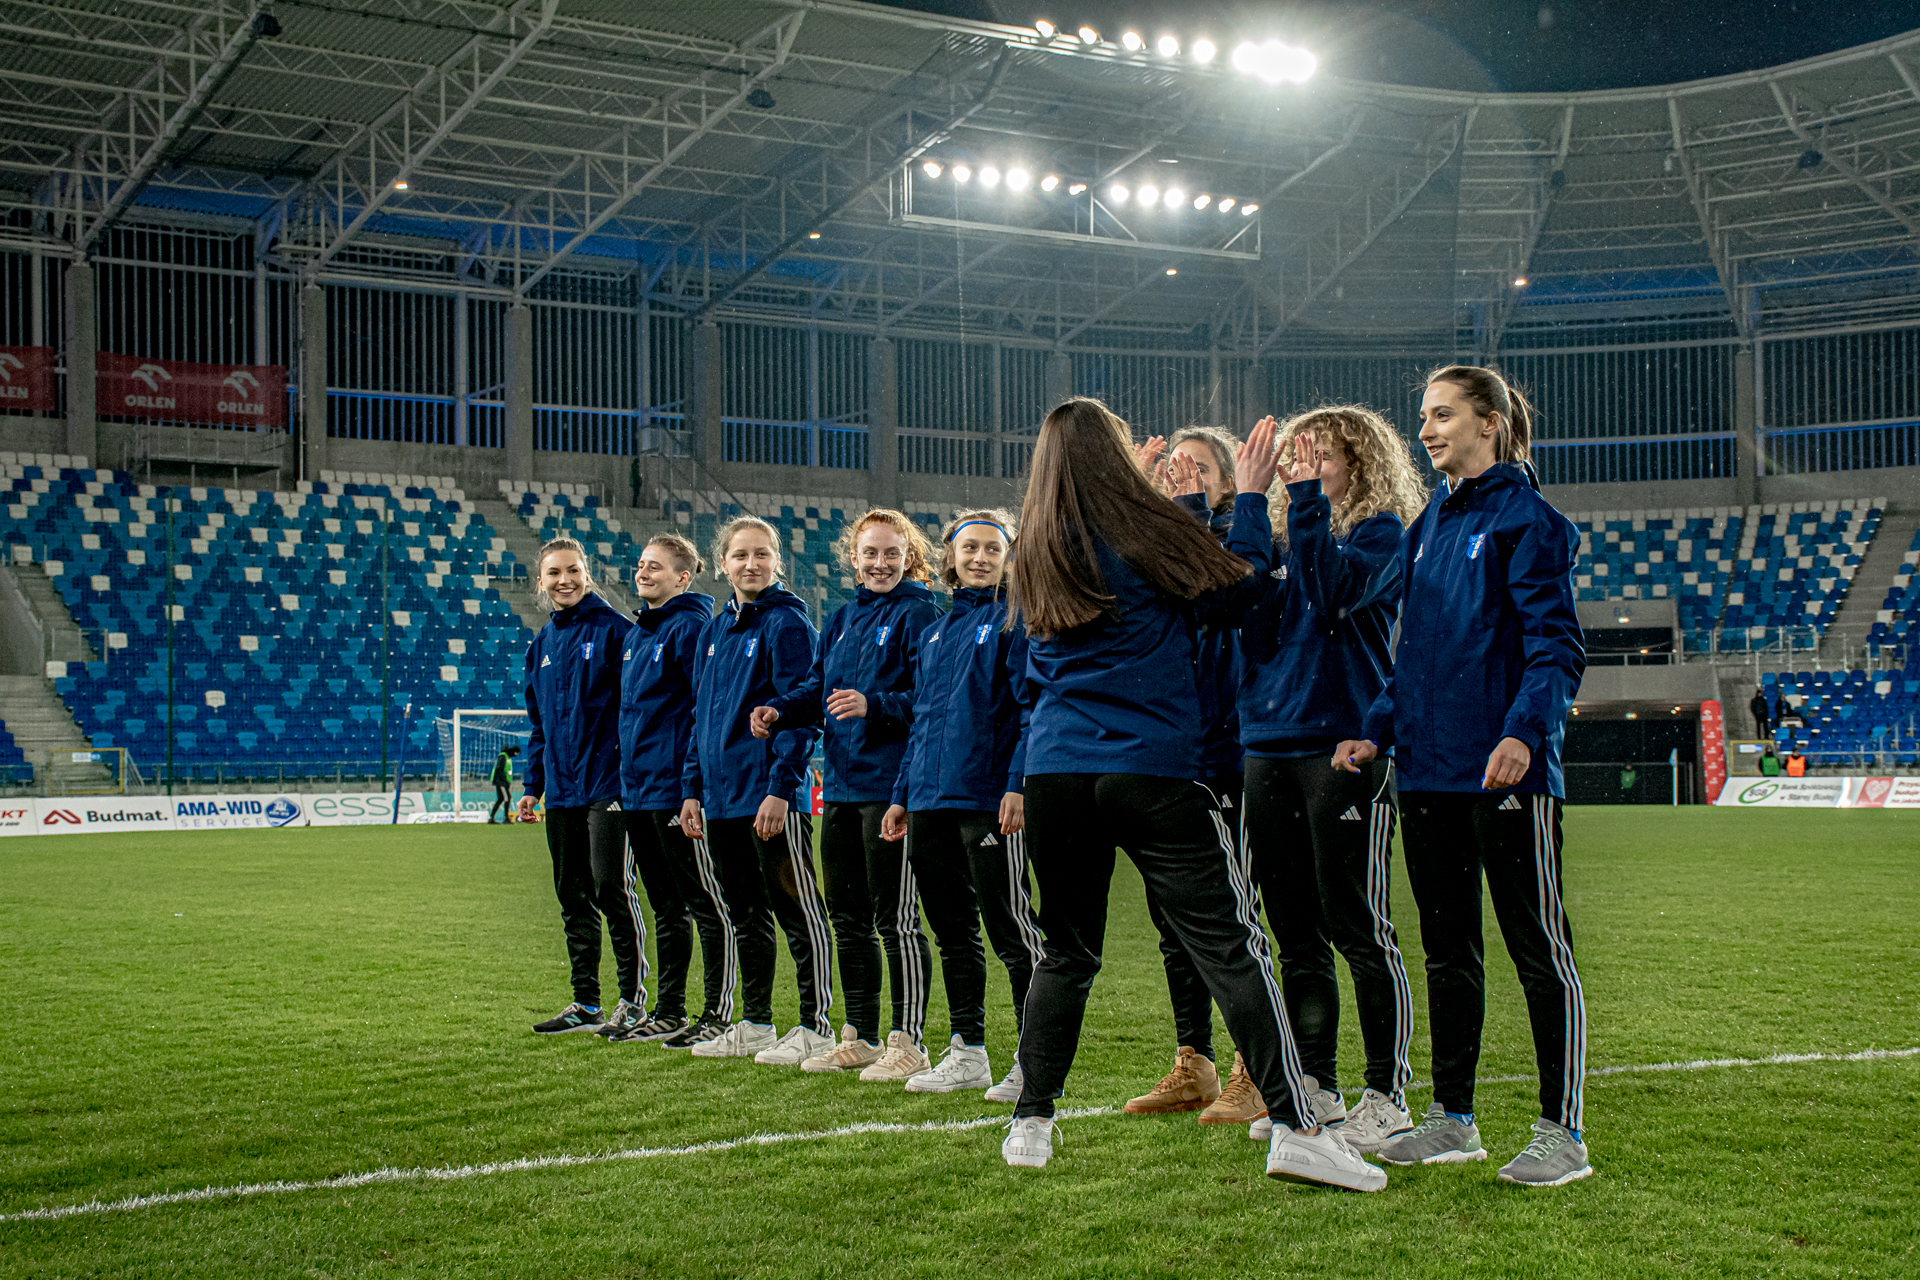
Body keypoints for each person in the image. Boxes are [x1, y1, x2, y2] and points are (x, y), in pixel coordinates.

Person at [999, 397, 1383, 1193]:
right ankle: (1297, 1128)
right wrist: (1246, 500)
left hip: (1056, 771)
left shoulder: (1035, 547)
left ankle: (1031, 1120)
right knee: (1232, 948)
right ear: (1115, 457)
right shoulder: (1143, 530)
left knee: (1066, 953)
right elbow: (1237, 595)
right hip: (1150, 768)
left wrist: (1163, 506)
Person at [1333, 363, 1592, 1187]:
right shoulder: (1428, 526)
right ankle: (1454, 1119)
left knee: (1538, 948)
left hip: (1505, 773)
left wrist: (1522, 732)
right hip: (1427, 774)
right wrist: (1376, 731)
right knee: (1448, 952)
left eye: (1443, 415)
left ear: (1489, 421)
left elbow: (1558, 647)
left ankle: (1563, 1132)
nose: (1427, 430)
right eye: (1423, 417)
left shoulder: (1531, 520)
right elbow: (1409, 656)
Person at [1196, 406, 1426, 1155]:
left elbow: (1331, 597)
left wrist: (1303, 506)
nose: (1305, 469)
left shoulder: (1381, 534)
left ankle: (1386, 1094)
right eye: (1298, 458)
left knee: (1358, 926)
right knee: (1294, 934)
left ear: (1361, 465)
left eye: (1321, 457)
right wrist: (1251, 503)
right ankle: (1316, 1084)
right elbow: (1241, 618)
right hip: (1265, 749)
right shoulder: (1281, 539)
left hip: (1342, 750)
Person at [752, 510, 942, 1077]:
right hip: (839, 786)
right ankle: (860, 1033)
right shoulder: (840, 619)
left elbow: (932, 697)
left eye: (891, 553)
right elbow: (817, 689)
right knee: (849, 918)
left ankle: (908, 1041)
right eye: (870, 553)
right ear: (853, 559)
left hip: (891, 788)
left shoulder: (920, 614)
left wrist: (874, 705)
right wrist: (780, 710)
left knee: (896, 919)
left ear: (909, 557)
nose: (880, 564)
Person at [880, 509, 1044, 1100]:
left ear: (1009, 558)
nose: (979, 557)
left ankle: (1034, 1061)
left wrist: (1017, 783)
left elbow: (1030, 709)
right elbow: (922, 719)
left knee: (1012, 931)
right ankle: (968, 1051)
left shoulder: (1016, 621)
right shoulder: (935, 631)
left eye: (992, 549)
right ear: (949, 556)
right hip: (929, 801)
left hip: (987, 800)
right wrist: (902, 796)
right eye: (969, 547)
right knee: (952, 932)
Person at [1115, 426, 1243, 1118]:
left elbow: (1222, 601)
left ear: (1228, 482)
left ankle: (1255, 1065)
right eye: (1172, 469)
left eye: (1197, 469)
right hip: (1168, 753)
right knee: (1173, 920)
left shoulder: (1241, 539)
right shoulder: (1150, 551)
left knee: (1236, 916)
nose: (1180, 477)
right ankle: (1194, 1061)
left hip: (1229, 750)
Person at [679, 516, 833, 1061]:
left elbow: (804, 712)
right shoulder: (714, 630)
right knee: (745, 915)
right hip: (721, 799)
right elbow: (700, 716)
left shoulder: (788, 624)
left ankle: (816, 1026)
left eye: (761, 554)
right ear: (723, 563)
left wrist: (781, 789)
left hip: (769, 796)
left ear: (776, 561)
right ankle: (757, 1023)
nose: (751, 564)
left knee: (798, 911)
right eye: (741, 555)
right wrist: (692, 788)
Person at [608, 534, 738, 1049]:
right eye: (641, 565)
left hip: (673, 789)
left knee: (705, 902)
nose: (643, 573)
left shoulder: (690, 629)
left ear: (683, 578)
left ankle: (718, 1013)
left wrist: (691, 785)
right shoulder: (639, 633)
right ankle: (669, 1011)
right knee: (666, 905)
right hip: (638, 791)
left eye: (655, 567)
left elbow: (700, 711)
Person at [518, 538, 643, 1036]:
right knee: (572, 897)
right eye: (554, 573)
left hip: (608, 786)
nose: (564, 580)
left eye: (573, 570)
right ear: (541, 581)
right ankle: (586, 1003)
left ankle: (632, 1001)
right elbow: (540, 726)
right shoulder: (540, 646)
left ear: (587, 574)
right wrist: (533, 785)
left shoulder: (617, 632)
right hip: (562, 791)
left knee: (612, 888)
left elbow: (636, 713)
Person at [489, 745, 519, 823]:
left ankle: (492, 818)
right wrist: (503, 782)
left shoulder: (507, 758)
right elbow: (499, 769)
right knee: (507, 798)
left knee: (501, 798)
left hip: (503, 782)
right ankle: (505, 818)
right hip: (501, 782)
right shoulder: (503, 756)